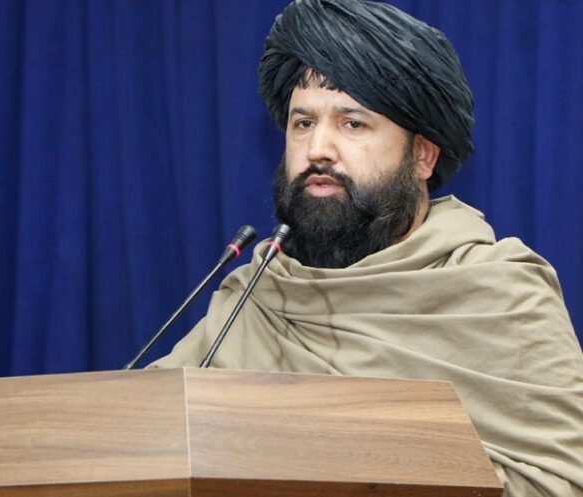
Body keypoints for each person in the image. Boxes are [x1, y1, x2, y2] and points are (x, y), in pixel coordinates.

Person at [150, 1, 583, 495]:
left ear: (422, 156)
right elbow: (140, 441)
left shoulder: (500, 295)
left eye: (352, 124)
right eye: (303, 123)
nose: (317, 149)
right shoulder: (256, 298)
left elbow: (564, 480)